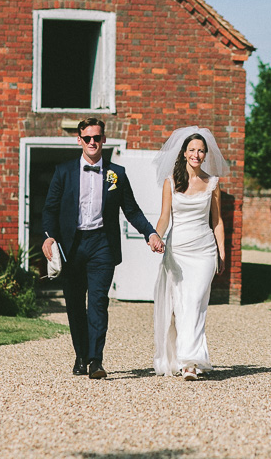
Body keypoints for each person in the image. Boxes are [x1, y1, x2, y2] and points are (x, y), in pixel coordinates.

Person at [42, 117, 164, 380]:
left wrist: (150, 233)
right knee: (74, 304)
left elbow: (131, 209)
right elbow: (50, 209)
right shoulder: (64, 172)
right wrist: (49, 237)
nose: (92, 142)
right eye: (87, 138)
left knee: (98, 302)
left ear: (104, 139)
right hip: (71, 246)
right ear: (79, 140)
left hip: (102, 246)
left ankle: (96, 360)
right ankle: (81, 355)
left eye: (97, 137)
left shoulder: (116, 173)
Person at [152, 126, 229, 380]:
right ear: (184, 153)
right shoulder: (171, 183)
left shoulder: (213, 183)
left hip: (205, 250)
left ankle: (190, 362)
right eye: (192, 150)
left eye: (201, 151)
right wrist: (155, 236)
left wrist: (222, 253)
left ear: (205, 155)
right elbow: (164, 217)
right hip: (178, 251)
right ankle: (187, 360)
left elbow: (217, 222)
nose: (197, 154)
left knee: (196, 302)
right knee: (182, 305)